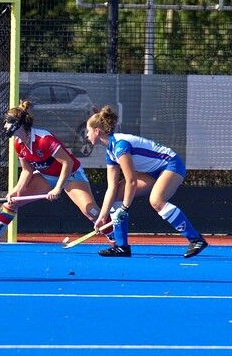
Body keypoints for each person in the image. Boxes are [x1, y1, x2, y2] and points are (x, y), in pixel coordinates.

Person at [0, 99, 114, 251]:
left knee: (91, 211)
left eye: (7, 122)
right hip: (46, 176)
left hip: (71, 175)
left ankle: (117, 243)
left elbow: (67, 163)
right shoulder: (17, 143)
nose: (4, 126)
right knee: (11, 202)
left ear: (17, 124)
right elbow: (27, 170)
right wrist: (16, 190)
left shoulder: (44, 139)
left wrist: (58, 188)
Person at [86, 105, 208, 258]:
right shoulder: (110, 152)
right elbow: (111, 187)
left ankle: (196, 239)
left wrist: (124, 208)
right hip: (152, 171)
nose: (86, 135)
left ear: (97, 131)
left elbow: (131, 181)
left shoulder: (120, 146)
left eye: (88, 131)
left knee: (156, 200)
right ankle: (121, 246)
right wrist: (102, 217)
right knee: (117, 192)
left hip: (171, 164)